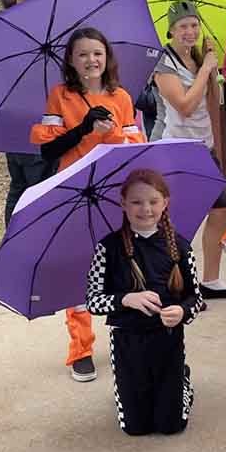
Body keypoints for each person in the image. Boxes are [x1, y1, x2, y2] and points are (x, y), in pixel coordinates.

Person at [31, 27, 146, 383]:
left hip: (115, 190)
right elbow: (46, 149)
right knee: (80, 268)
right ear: (70, 60)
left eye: (97, 53)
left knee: (124, 262)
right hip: (74, 192)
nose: (91, 60)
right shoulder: (60, 96)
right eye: (82, 54)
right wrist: (82, 128)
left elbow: (134, 144)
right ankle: (81, 348)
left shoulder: (122, 97)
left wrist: (109, 133)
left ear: (107, 57)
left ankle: (128, 333)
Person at [85, 169, 202, 435]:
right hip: (128, 342)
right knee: (134, 428)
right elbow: (93, 300)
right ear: (123, 203)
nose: (145, 209)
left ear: (165, 203)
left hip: (168, 339)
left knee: (171, 426)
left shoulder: (180, 247)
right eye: (136, 202)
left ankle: (181, 379)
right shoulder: (108, 248)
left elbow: (196, 297)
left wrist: (182, 311)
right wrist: (125, 298)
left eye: (153, 201)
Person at [153, 0, 226, 299]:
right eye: (183, 27)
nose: (190, 32)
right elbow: (184, 106)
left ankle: (211, 279)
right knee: (180, 217)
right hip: (175, 149)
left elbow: (211, 103)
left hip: (202, 148)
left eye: (194, 25)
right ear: (171, 31)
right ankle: (173, 285)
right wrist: (206, 69)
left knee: (220, 208)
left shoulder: (198, 59)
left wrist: (211, 68)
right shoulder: (163, 63)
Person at [0, 0, 57, 224]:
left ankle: (12, 243)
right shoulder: (25, 38)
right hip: (32, 126)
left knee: (20, 186)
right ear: (20, 2)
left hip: (11, 127)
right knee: (38, 189)